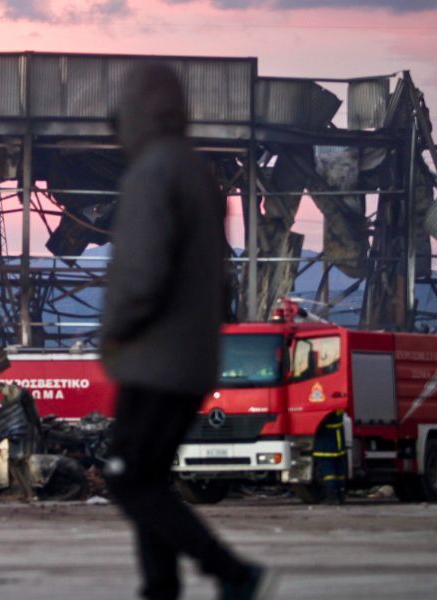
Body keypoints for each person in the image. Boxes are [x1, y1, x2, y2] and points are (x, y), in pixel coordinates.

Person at [101, 63, 275, 600]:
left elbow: (141, 270)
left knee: (129, 478)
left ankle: (230, 571)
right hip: (191, 357)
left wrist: (116, 327)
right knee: (148, 479)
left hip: (155, 357)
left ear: (134, 112)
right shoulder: (196, 173)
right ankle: (160, 587)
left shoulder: (152, 172)